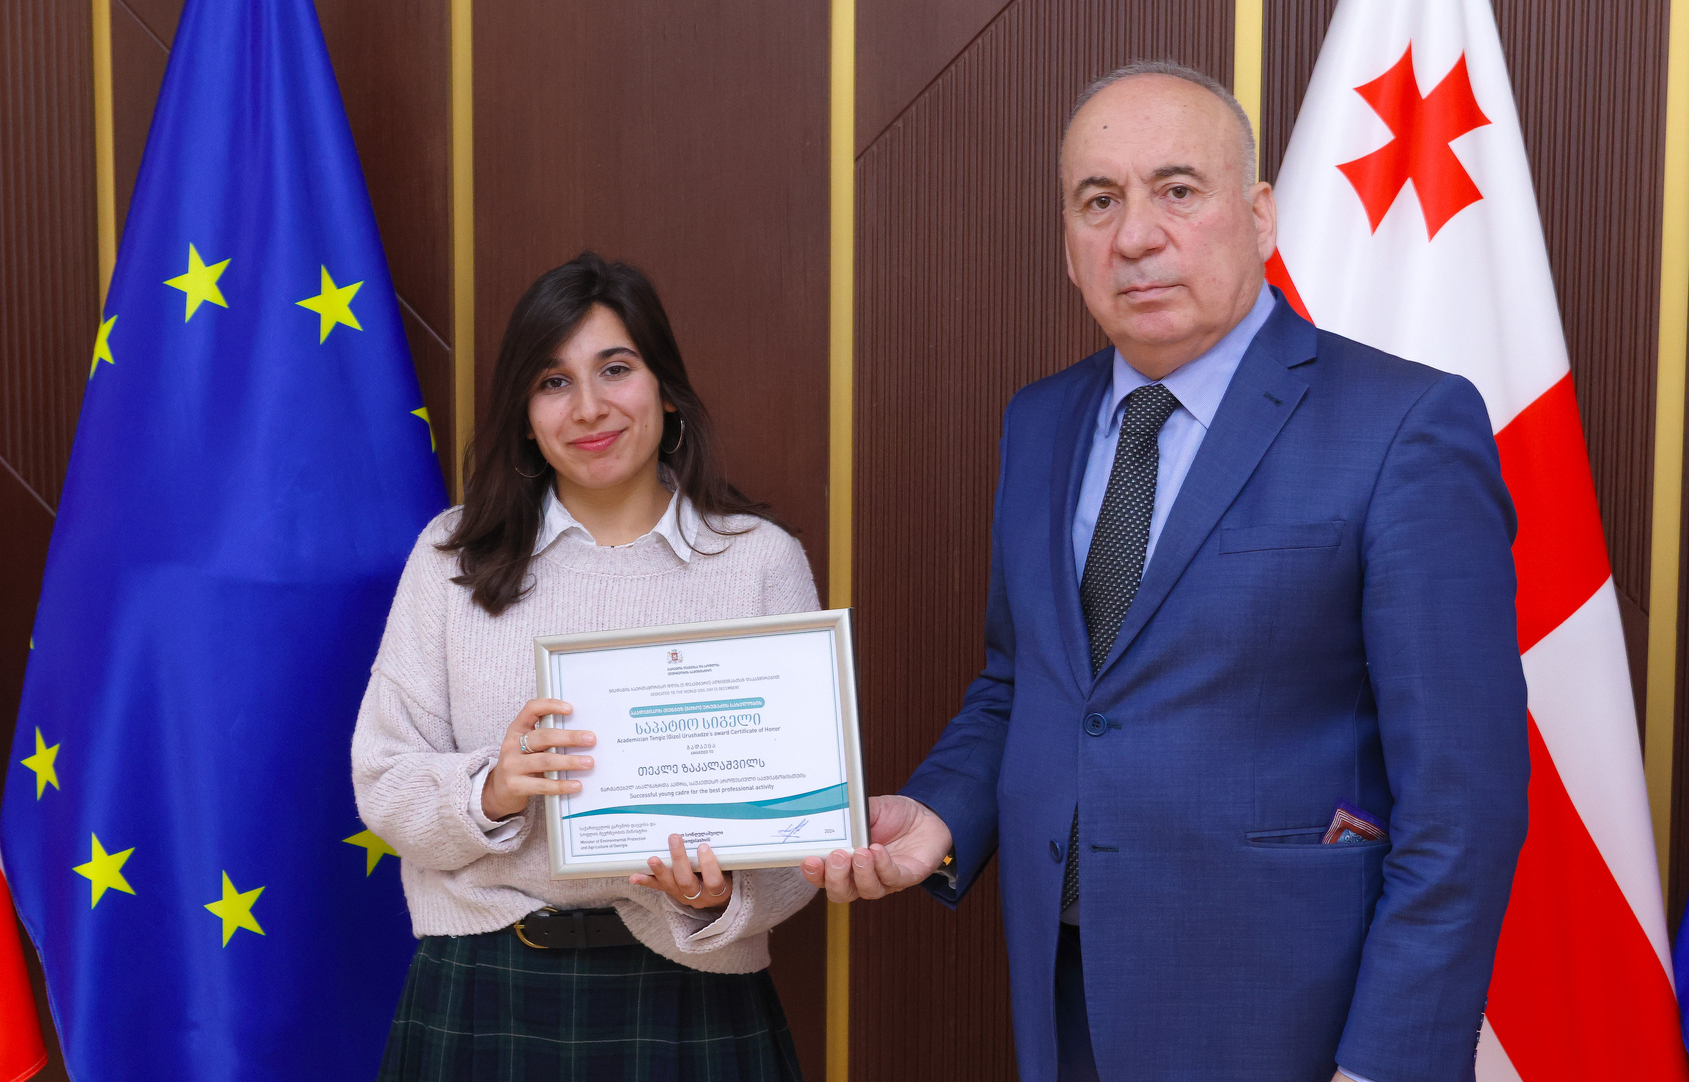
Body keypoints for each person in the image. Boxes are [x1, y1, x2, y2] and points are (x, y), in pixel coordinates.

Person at [802, 61, 1529, 1081]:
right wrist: (940, 812)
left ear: (1260, 215)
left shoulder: (1403, 424)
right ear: (1068, 243)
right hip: (1065, 997)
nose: (1135, 236)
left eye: (1177, 190)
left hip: (1289, 1016)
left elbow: (1463, 799)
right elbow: (1028, 683)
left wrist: (1388, 1064)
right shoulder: (1039, 423)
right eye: (1098, 201)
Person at [353, 251, 819, 1080]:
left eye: (615, 369)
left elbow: (806, 829)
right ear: (524, 414)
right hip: (483, 984)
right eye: (553, 381)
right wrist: (491, 791)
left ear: (666, 389)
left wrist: (720, 897)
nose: (589, 408)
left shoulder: (757, 563)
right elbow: (383, 781)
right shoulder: (451, 557)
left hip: (690, 988)